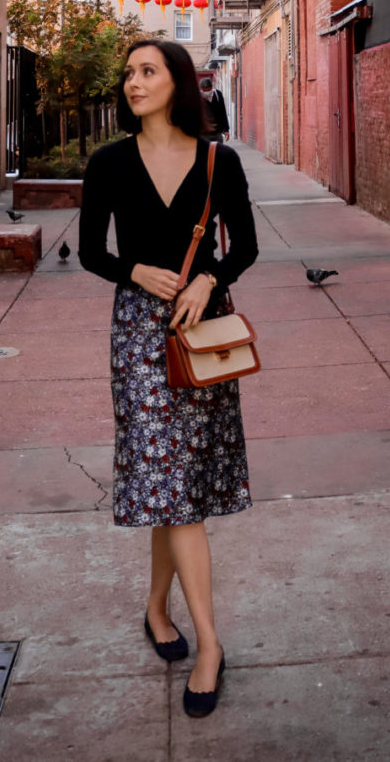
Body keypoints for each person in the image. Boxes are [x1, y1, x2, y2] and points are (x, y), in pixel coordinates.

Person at [79, 40, 258, 719]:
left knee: (175, 483)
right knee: (171, 483)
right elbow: (94, 249)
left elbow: (244, 244)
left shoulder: (219, 161)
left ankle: (157, 607)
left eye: (146, 71)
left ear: (177, 82)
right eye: (128, 73)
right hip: (138, 336)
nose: (133, 82)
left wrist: (210, 275)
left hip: (202, 331)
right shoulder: (109, 163)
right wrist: (135, 272)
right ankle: (210, 645)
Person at [198, 74, 230, 142]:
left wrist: (226, 129)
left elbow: (223, 112)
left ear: (211, 87)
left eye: (208, 90)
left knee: (218, 151)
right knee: (205, 152)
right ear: (201, 89)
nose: (206, 92)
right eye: (204, 90)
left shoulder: (218, 95)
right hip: (203, 133)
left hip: (217, 132)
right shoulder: (197, 97)